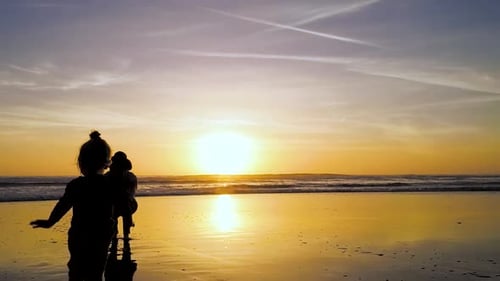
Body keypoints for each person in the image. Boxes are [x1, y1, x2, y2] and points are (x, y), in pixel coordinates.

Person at [30, 131, 114, 281]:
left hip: (79, 233)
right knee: (97, 269)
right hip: (102, 233)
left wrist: (50, 222)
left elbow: (63, 205)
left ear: (81, 162)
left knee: (76, 269)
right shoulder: (109, 184)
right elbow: (122, 203)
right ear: (106, 163)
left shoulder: (76, 185)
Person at [106, 151, 137, 243]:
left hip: (121, 202)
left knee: (121, 206)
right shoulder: (130, 176)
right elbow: (132, 193)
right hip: (119, 203)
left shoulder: (108, 176)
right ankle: (124, 233)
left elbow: (130, 193)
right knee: (121, 208)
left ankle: (116, 234)